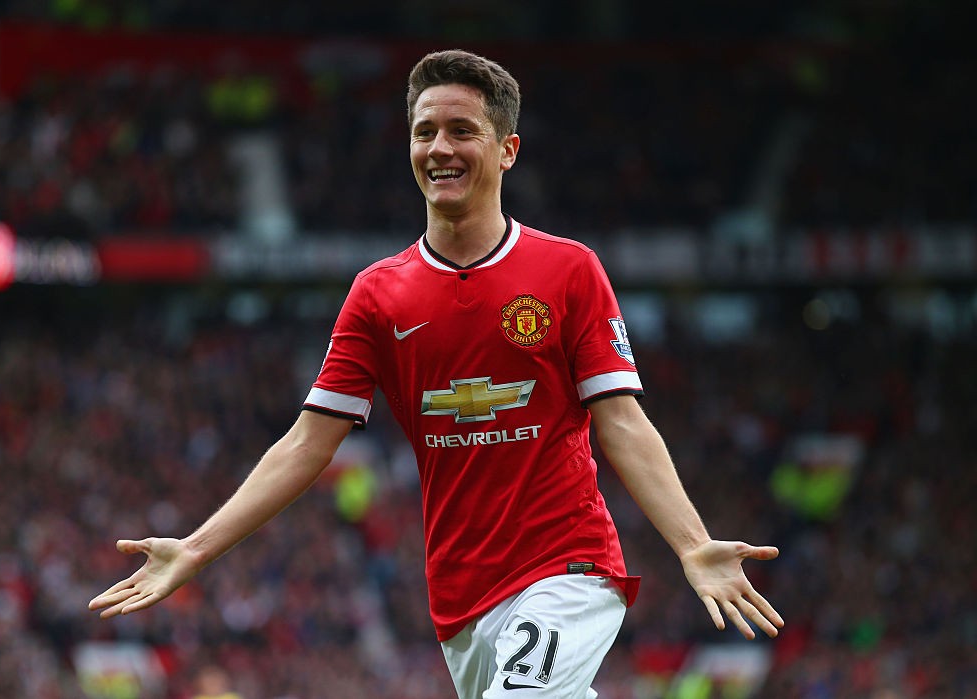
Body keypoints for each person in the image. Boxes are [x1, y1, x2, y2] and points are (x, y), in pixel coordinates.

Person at [89, 49, 784, 698]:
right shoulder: (378, 294)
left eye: (462, 130)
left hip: (568, 568)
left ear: (507, 150)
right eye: (425, 132)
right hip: (459, 600)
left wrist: (694, 545)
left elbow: (623, 421)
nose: (440, 148)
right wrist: (196, 548)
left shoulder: (568, 271)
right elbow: (306, 444)